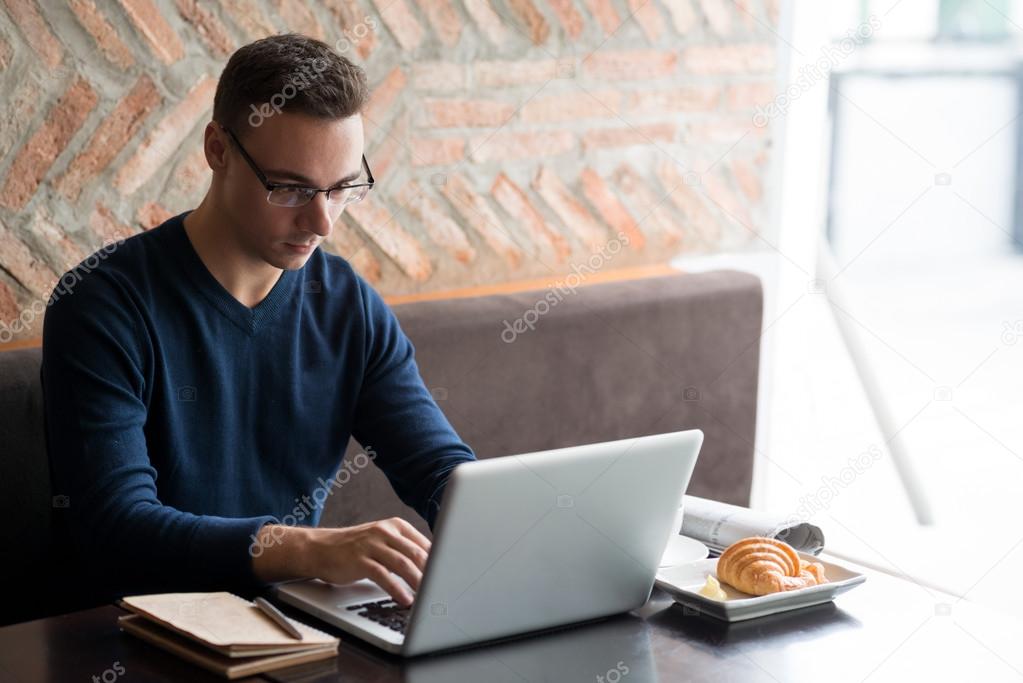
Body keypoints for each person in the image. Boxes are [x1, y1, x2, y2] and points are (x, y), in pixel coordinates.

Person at [41, 33, 475, 609]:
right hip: (133, 637)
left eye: (343, 188)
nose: (321, 222)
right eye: (290, 188)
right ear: (217, 149)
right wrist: (306, 549)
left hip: (289, 627)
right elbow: (117, 530)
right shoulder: (101, 307)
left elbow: (439, 468)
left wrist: (516, 527)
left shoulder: (347, 305)